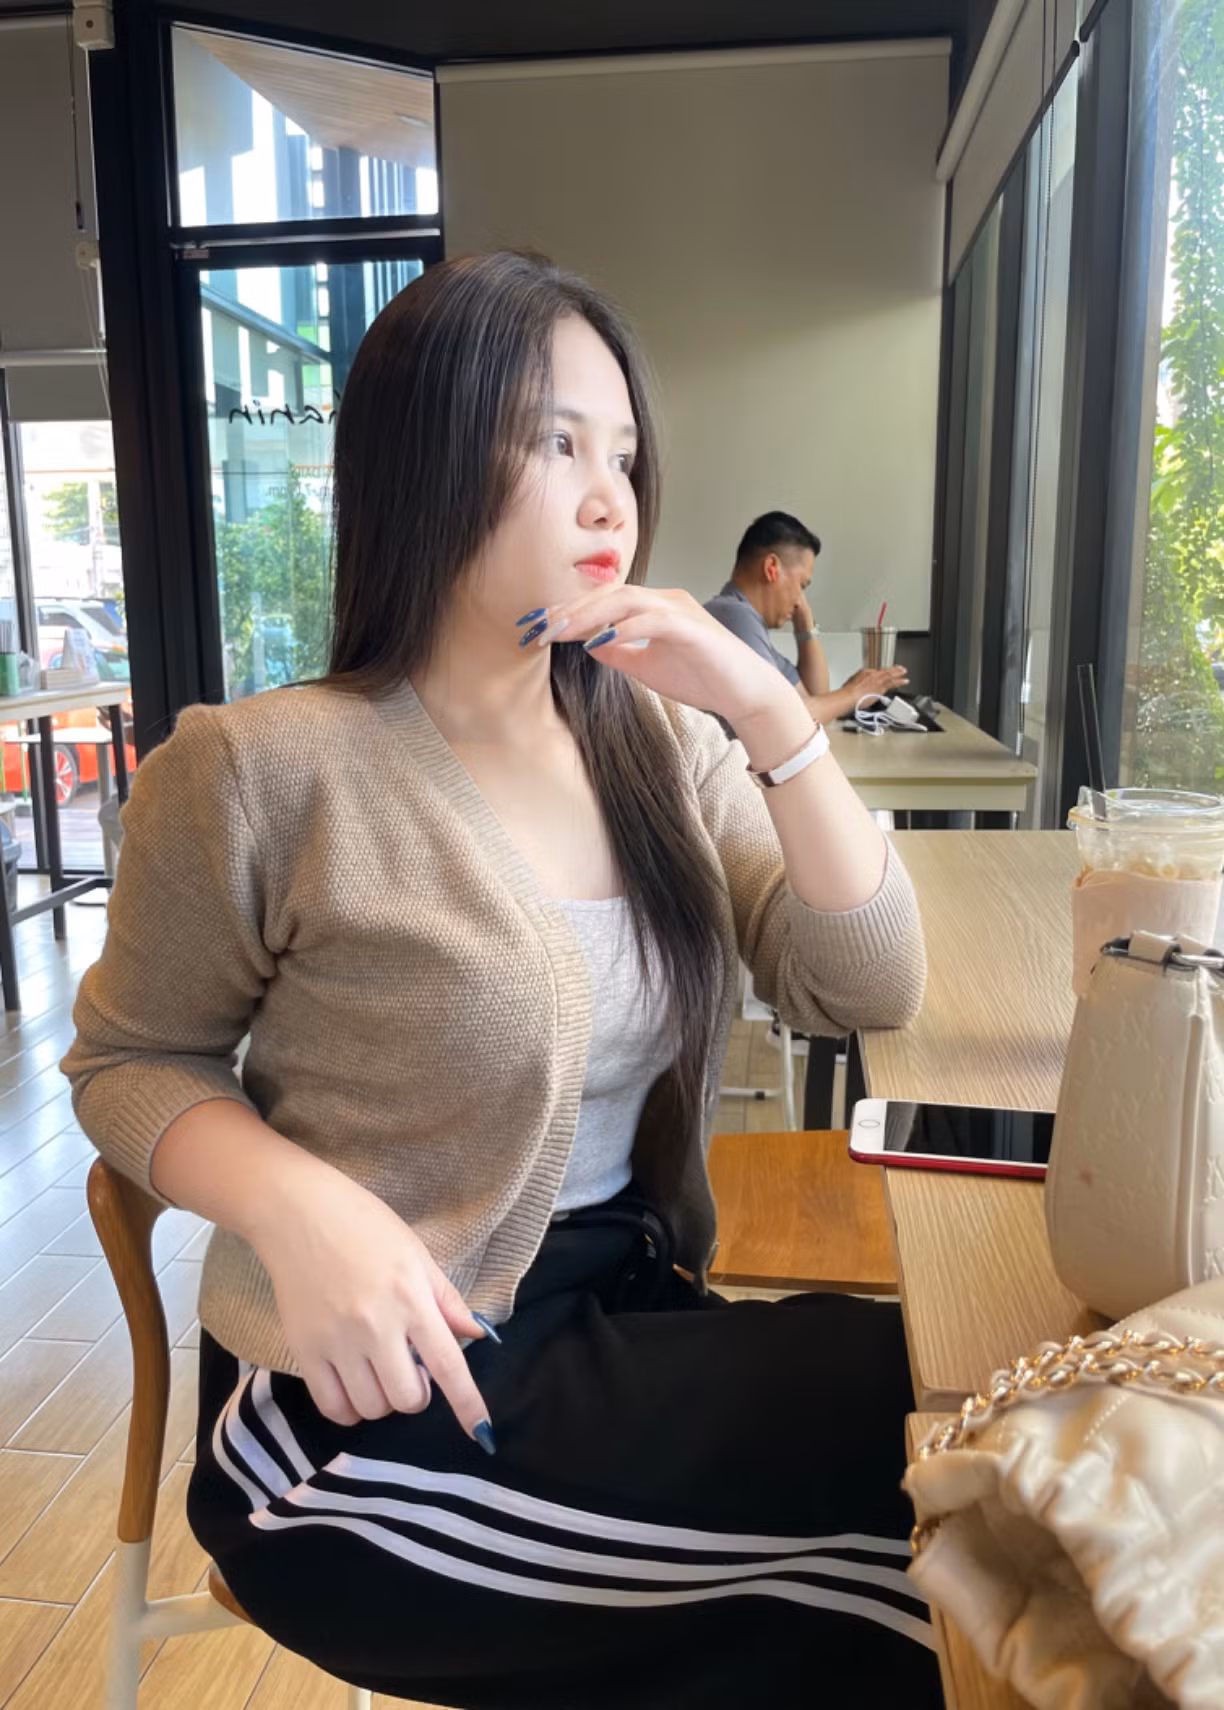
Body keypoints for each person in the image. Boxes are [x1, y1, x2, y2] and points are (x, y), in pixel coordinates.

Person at [63, 253, 939, 1710]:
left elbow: (866, 983)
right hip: (364, 1414)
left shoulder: (666, 745)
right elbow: (126, 1061)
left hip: (622, 1320)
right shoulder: (261, 767)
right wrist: (301, 1207)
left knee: (944, 1403)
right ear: (425, 454)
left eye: (624, 454)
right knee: (934, 1575)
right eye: (554, 443)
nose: (610, 500)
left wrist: (769, 711)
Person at [705, 512, 909, 727]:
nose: (800, 599)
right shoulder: (733, 616)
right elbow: (786, 721)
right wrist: (853, 693)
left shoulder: (746, 624)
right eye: (802, 585)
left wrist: (805, 623)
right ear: (772, 569)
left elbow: (815, 699)